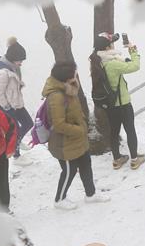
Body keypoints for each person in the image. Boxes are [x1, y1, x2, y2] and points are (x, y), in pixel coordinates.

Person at [44, 61, 110, 209]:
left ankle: (91, 194)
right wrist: (79, 130)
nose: (76, 74)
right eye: (74, 72)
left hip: (77, 139)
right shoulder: (56, 96)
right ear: (67, 77)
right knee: (69, 170)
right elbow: (59, 124)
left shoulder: (69, 88)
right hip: (64, 143)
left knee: (86, 164)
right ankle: (59, 199)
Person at [93, 32, 145, 170]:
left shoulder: (98, 61)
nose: (113, 45)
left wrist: (123, 59)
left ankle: (117, 160)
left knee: (114, 132)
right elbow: (135, 66)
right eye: (111, 43)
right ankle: (134, 160)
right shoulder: (112, 64)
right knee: (130, 130)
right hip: (122, 104)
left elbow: (119, 62)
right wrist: (133, 50)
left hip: (110, 105)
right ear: (107, 48)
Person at [0, 37, 33, 165]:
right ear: (12, 58)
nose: (21, 63)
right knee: (15, 130)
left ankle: (17, 142)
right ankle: (16, 155)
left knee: (28, 123)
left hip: (16, 103)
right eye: (20, 60)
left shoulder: (11, 68)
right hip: (7, 107)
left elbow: (10, 86)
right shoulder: (3, 73)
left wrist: (18, 85)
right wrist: (7, 108)